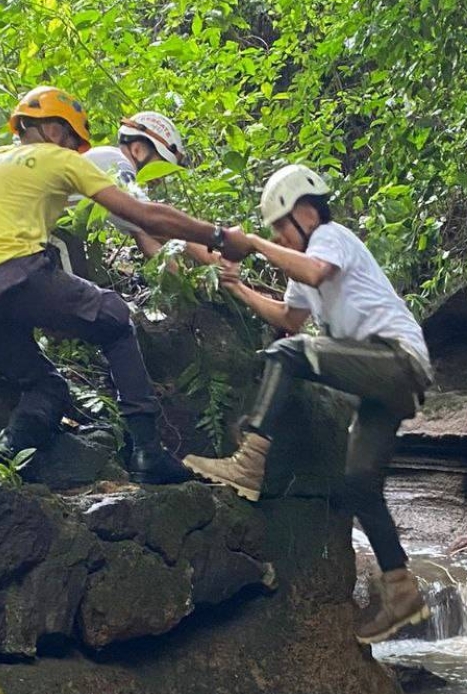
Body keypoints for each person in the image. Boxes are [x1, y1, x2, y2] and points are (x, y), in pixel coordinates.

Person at [0, 86, 251, 484]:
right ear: (55, 132)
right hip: (15, 274)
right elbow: (145, 216)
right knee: (114, 317)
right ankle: (147, 451)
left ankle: (4, 460)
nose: (76, 150)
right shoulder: (58, 159)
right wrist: (220, 237)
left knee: (45, 386)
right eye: (73, 140)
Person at [183, 163, 433, 644]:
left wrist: (254, 244)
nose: (279, 233)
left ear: (307, 211)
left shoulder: (331, 237)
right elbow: (290, 318)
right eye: (274, 228)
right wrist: (238, 287)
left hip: (396, 361)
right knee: (359, 485)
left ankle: (250, 462)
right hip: (381, 381)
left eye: (282, 224)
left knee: (288, 355)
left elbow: (314, 279)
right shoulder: (302, 265)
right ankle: (402, 591)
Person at [80, 112, 216, 266]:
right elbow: (154, 222)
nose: (160, 177)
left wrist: (185, 282)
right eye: (160, 164)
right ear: (138, 150)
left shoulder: (111, 164)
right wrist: (217, 257)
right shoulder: (115, 162)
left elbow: (144, 234)